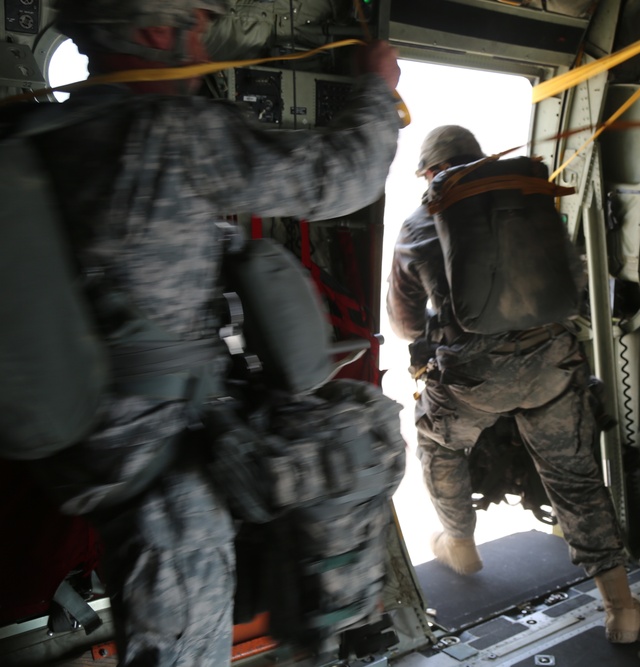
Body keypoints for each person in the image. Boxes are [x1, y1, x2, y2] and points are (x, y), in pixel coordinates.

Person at [14, 1, 402, 664]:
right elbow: (341, 177)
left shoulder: (37, 131)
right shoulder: (173, 130)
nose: (204, 43)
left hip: (88, 447)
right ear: (158, 31)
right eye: (197, 26)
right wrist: (378, 90)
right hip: (162, 474)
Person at [385, 125, 640, 644]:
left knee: (436, 441)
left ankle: (459, 540)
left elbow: (407, 325)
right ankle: (620, 606)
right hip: (552, 364)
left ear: (432, 173)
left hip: (475, 378)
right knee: (574, 480)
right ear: (478, 160)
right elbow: (573, 285)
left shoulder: (420, 223)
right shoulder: (528, 204)